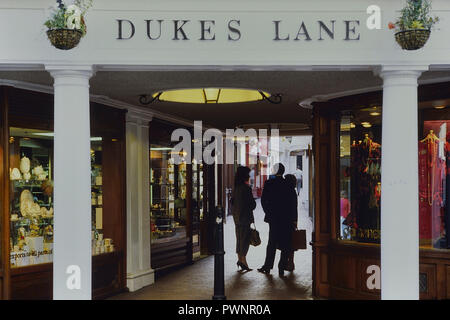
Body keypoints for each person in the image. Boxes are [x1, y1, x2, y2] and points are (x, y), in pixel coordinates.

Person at [258, 163, 297, 277]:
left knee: (272, 242)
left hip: (273, 218)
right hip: (287, 218)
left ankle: (267, 266)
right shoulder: (288, 184)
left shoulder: (269, 183)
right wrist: (294, 219)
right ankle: (281, 267)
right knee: (286, 243)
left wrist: (268, 212)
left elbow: (263, 200)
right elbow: (293, 203)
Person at [231, 166, 256, 271]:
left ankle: (240, 259)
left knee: (239, 239)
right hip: (245, 218)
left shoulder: (236, 188)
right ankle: (243, 261)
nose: (249, 176)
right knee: (245, 240)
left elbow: (232, 202)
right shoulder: (246, 189)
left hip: (236, 218)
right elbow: (252, 205)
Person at [284, 174, 299, 272]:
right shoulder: (293, 192)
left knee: (286, 242)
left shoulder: (284, 192)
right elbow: (295, 207)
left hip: (285, 220)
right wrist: (295, 220)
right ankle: (291, 262)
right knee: (292, 242)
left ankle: (287, 262)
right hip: (291, 220)